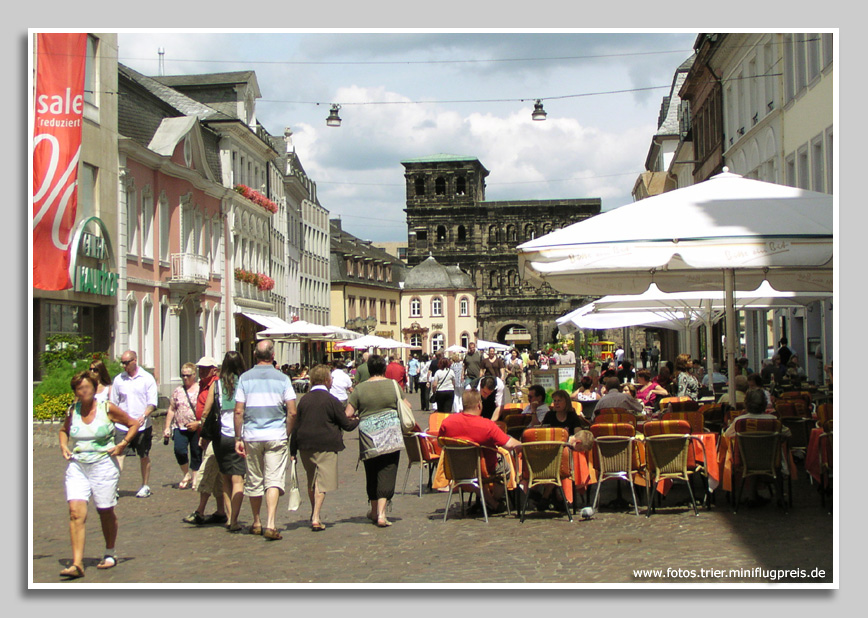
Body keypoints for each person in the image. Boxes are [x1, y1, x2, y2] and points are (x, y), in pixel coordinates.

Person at [58, 371, 140, 578]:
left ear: (94, 389)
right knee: (75, 512)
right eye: (79, 388)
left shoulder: (106, 407)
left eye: (87, 387)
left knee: (105, 510)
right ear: (75, 391)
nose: (83, 391)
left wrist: (122, 444)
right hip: (78, 466)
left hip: (103, 464)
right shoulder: (73, 410)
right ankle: (77, 563)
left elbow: (133, 424)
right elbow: (64, 430)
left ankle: (110, 552)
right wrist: (63, 446)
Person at [233, 339, 298, 541]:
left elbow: (238, 411)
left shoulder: (244, 378)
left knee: (254, 479)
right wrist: (286, 432)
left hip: (252, 435)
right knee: (273, 479)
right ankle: (271, 523)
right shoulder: (282, 379)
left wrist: (238, 437)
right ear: (272, 355)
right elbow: (292, 411)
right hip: (276, 435)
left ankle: (256, 521)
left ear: (254, 355)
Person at [291, 365, 360, 531]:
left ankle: (315, 512)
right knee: (322, 482)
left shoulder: (304, 400)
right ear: (327, 380)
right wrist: (358, 419)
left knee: (311, 480)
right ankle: (315, 517)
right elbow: (346, 425)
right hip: (326, 445)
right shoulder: (332, 400)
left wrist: (292, 450)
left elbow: (296, 425)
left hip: (305, 444)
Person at [345, 354, 409, 528]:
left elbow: (348, 414)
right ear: (384, 369)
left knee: (371, 471)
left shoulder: (360, 389)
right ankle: (381, 514)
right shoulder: (393, 385)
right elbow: (407, 406)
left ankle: (374, 511)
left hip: (368, 435)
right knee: (388, 469)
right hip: (390, 434)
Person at [438, 389, 521, 513]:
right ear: (479, 404)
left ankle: (488, 502)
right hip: (485, 468)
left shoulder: (447, 423)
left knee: (472, 473)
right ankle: (493, 501)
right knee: (505, 471)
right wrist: (521, 444)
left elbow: (441, 443)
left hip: (456, 468)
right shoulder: (487, 425)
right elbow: (509, 445)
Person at [200, 351, 248, 533]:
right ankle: (234, 518)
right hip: (239, 435)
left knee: (225, 478)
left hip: (221, 436)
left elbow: (206, 411)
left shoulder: (217, 385)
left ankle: (229, 517)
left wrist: (203, 434)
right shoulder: (245, 383)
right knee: (238, 479)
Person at [182, 357, 227, 527]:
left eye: (206, 368)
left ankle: (200, 511)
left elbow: (213, 412)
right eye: (200, 368)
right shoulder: (203, 384)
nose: (202, 371)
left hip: (213, 434)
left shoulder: (215, 385)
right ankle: (221, 511)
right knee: (217, 476)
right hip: (206, 433)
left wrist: (201, 426)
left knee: (207, 470)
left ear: (214, 370)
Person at [109, 350, 158, 498]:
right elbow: (113, 403)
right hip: (123, 425)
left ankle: (145, 485)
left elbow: (152, 403)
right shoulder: (119, 380)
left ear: (134, 361)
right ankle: (114, 487)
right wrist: (114, 420)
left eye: (126, 362)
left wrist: (144, 415)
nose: (123, 366)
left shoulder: (147, 379)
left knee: (144, 455)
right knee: (119, 454)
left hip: (141, 424)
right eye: (122, 363)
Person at [163, 362, 203, 490]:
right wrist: (167, 427)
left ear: (194, 375)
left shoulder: (200, 389)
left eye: (188, 375)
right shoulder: (178, 391)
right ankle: (186, 474)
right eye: (183, 375)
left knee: (196, 452)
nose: (185, 378)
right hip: (180, 426)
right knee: (179, 450)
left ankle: (195, 476)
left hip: (196, 426)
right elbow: (172, 409)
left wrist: (199, 423)